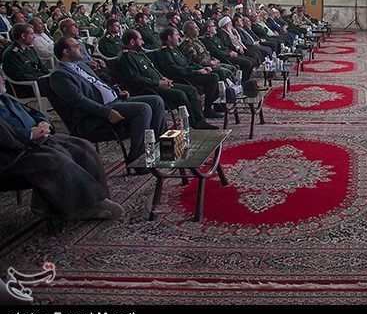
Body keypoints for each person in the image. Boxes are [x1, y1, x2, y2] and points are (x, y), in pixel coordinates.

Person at [0, 72, 124, 220]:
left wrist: (43, 122)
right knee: (56, 160)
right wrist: (30, 134)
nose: (4, 78)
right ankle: (85, 205)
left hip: (37, 140)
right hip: (13, 153)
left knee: (82, 147)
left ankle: (93, 201)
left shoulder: (5, 98)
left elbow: (33, 112)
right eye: (0, 75)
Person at [49, 37, 167, 172]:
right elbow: (79, 101)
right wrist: (107, 112)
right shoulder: (59, 75)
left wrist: (117, 92)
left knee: (156, 101)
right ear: (66, 52)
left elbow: (98, 84)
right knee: (143, 109)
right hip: (96, 113)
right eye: (76, 46)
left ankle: (162, 147)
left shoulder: (81, 65)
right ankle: (137, 158)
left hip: (115, 101)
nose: (81, 48)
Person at [117, 29, 218, 130]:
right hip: (149, 88)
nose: (143, 42)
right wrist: (158, 82)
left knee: (191, 91)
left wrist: (163, 78)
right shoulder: (127, 57)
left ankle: (201, 120)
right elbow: (135, 79)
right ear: (132, 42)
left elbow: (153, 70)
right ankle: (194, 122)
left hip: (161, 83)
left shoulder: (139, 53)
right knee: (180, 94)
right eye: (140, 39)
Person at [155, 27, 222, 119]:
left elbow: (188, 62)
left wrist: (202, 68)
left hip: (189, 74)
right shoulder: (163, 52)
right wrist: (196, 72)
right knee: (213, 77)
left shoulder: (175, 49)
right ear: (169, 37)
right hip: (181, 77)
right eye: (176, 35)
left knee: (216, 72)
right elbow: (175, 70)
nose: (179, 37)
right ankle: (207, 109)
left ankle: (215, 105)